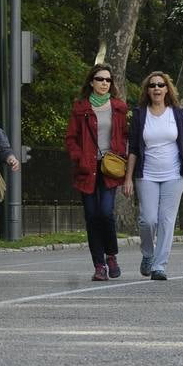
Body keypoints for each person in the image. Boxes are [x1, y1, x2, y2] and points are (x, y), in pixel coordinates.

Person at [65, 64, 129, 281]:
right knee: (92, 217)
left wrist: (122, 153)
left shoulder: (119, 107)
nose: (104, 83)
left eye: (108, 80)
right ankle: (99, 265)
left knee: (105, 213)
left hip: (110, 167)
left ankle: (111, 255)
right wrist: (79, 158)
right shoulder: (80, 108)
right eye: (100, 79)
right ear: (91, 82)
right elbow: (71, 139)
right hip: (87, 168)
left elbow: (125, 136)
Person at [123, 71, 183, 280]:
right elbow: (133, 148)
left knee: (166, 220)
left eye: (161, 85)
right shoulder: (140, 114)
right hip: (147, 174)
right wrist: (128, 178)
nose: (157, 88)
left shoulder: (178, 114)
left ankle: (159, 266)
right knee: (148, 220)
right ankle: (148, 255)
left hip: (174, 174)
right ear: (147, 90)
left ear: (167, 89)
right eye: (152, 85)